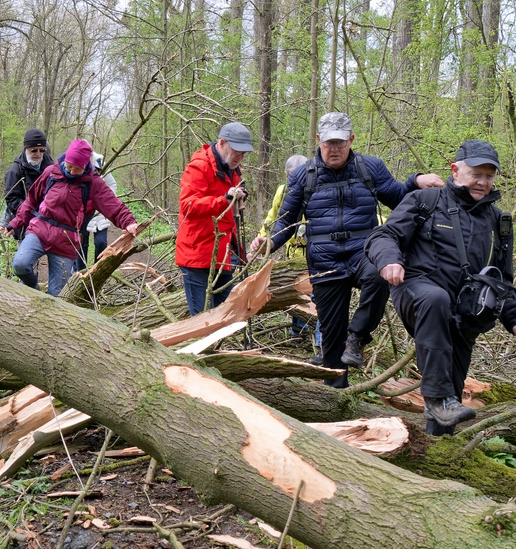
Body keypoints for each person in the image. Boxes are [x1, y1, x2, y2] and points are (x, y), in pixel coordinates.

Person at [248, 112, 443, 387]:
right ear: (318, 140)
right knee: (331, 335)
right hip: (325, 260)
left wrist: (416, 182)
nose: (334, 149)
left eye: (340, 142)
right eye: (328, 143)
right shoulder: (304, 175)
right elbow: (287, 221)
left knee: (380, 275)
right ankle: (336, 396)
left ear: (351, 140)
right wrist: (268, 243)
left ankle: (359, 336)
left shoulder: (370, 168)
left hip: (364, 250)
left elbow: (398, 198)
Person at [365, 140, 516, 433]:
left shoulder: (498, 222)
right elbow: (383, 236)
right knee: (436, 299)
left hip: (466, 312)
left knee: (452, 401)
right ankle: (437, 397)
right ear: (455, 171)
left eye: (489, 176)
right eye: (475, 174)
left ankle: (437, 446)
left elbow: (502, 281)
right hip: (417, 292)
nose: (482, 182)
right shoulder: (425, 202)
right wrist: (389, 260)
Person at [0, 139, 139, 296]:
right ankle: (34, 289)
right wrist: (14, 224)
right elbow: (30, 201)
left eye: (77, 169)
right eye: (69, 166)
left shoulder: (93, 183)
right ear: (65, 160)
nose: (72, 172)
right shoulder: (51, 172)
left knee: (55, 295)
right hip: (40, 230)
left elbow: (113, 205)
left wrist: (129, 223)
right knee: (20, 264)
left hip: (66, 241)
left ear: (86, 166)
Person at [176, 122, 253, 315]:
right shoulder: (199, 167)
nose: (240, 157)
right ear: (222, 143)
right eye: (237, 151)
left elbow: (229, 216)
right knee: (203, 320)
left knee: (224, 318)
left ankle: (218, 346)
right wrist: (224, 199)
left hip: (223, 255)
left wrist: (239, 250)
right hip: (197, 256)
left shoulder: (233, 169)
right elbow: (188, 206)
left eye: (243, 153)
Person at [255, 153, 321, 353]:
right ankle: (297, 333)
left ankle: (321, 339)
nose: (296, 181)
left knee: (319, 296)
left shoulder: (319, 189)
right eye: (292, 176)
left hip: (315, 252)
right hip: (294, 254)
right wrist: (263, 241)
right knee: (295, 292)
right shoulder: (283, 192)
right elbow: (273, 218)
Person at [0, 129, 53, 241]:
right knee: (27, 257)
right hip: (25, 224)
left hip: (49, 224)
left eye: (42, 150)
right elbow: (12, 201)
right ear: (26, 148)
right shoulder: (14, 172)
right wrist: (33, 211)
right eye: (34, 150)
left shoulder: (52, 168)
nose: (38, 154)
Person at [75, 152, 118, 271]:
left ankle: (97, 270)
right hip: (83, 212)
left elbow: (112, 184)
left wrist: (106, 201)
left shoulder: (101, 165)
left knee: (101, 242)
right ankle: (80, 272)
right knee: (81, 244)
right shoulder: (76, 166)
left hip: (100, 214)